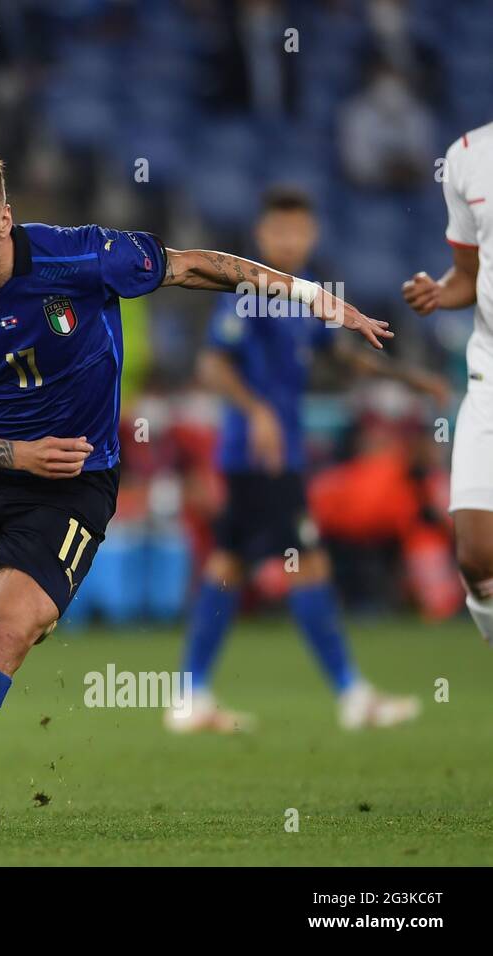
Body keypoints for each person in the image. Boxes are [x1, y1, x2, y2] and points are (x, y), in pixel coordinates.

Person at [0, 139, 393, 829]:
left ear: (3, 219)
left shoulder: (83, 257)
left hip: (74, 481)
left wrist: (311, 296)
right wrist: (19, 455)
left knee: (5, 637)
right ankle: (12, 594)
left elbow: (198, 267)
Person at [170, 187, 445, 734]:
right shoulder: (246, 292)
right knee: (308, 562)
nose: (291, 240)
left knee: (227, 568)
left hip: (273, 460)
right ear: (262, 235)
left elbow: (339, 356)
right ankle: (351, 693)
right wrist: (259, 412)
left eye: (301, 230)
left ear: (312, 234)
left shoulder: (302, 300)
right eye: (281, 230)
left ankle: (190, 696)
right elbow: (211, 366)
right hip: (259, 457)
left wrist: (407, 378)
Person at [402, 121, 493, 649]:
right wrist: (439, 292)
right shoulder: (466, 156)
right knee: (478, 556)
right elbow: (469, 274)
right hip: (489, 370)